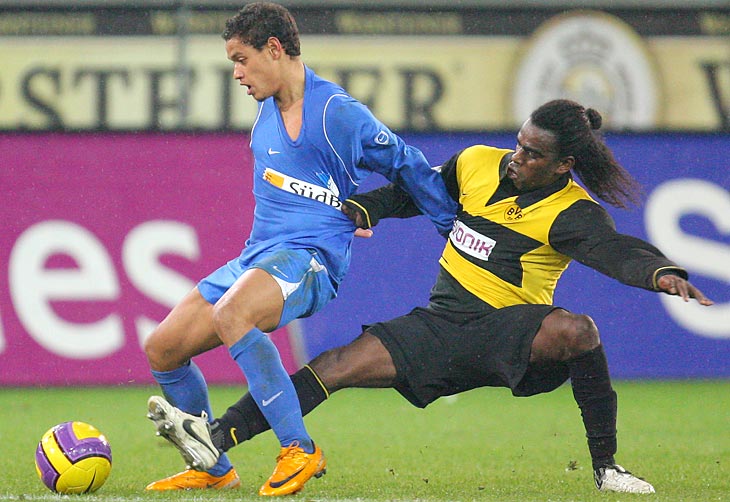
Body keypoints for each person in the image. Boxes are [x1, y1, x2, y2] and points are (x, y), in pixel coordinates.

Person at [148, 99, 713, 495]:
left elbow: (614, 251)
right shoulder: (478, 162)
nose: (517, 158)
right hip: (443, 326)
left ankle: (607, 468)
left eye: (533, 155)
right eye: (519, 144)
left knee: (579, 330)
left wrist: (659, 272)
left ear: (564, 165)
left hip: (510, 329)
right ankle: (215, 437)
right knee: (335, 365)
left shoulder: (573, 212)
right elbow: (417, 191)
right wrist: (367, 207)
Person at [142, 1, 456, 496]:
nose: (237, 74)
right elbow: (308, 186)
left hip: (310, 260)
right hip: (258, 256)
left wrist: (451, 225)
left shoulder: (336, 112)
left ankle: (299, 449)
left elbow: (405, 162)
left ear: (274, 48)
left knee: (232, 315)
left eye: (242, 60)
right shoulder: (266, 109)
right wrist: (339, 208)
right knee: (162, 349)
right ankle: (213, 465)